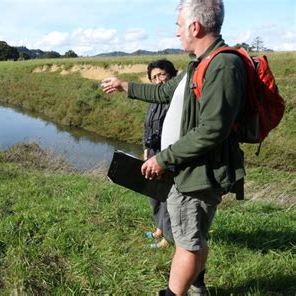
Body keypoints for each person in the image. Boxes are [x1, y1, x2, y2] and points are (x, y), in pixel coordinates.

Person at [101, 0, 246, 295]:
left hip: (198, 174)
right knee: (194, 237)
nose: (177, 33)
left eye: (179, 26)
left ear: (195, 26)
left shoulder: (223, 64)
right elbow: (165, 91)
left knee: (187, 243)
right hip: (190, 170)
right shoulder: (199, 63)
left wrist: (163, 159)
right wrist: (125, 86)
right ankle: (197, 289)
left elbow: (212, 129)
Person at [143, 60, 178, 249]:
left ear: (172, 76)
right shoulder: (153, 100)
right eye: (154, 77)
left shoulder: (176, 100)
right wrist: (145, 150)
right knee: (153, 193)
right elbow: (147, 126)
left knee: (166, 196)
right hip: (152, 152)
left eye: (162, 75)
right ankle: (159, 229)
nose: (158, 80)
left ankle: (168, 238)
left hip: (167, 155)